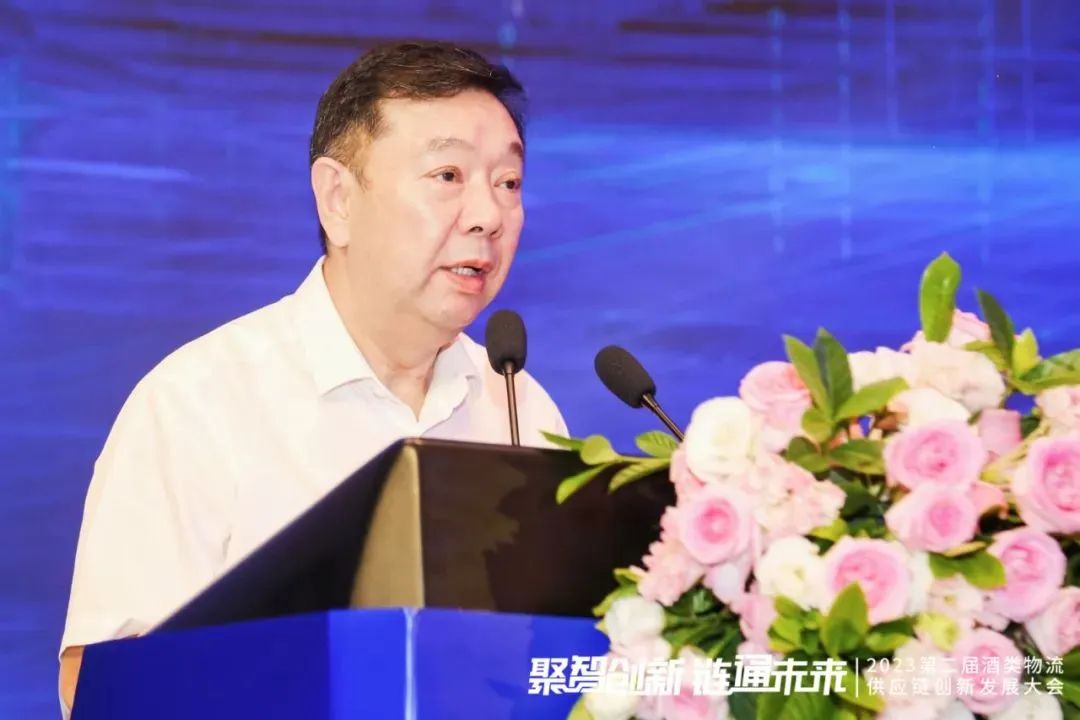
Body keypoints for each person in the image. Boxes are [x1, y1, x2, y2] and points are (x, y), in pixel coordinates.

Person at [57, 40, 568, 712]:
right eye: (448, 175)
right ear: (338, 200)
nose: (489, 216)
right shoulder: (199, 402)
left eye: (508, 183)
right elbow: (97, 686)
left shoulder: (520, 408)